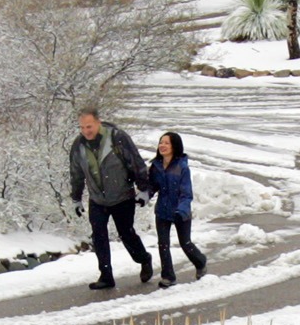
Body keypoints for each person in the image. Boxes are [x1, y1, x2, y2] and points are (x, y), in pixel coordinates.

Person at [68, 107, 153, 290]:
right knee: (98, 235)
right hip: (97, 199)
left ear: (98, 122)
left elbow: (136, 162)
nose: (85, 131)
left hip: (122, 196)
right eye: (81, 127)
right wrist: (76, 198)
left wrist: (144, 189)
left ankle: (144, 259)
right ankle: (106, 275)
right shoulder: (79, 145)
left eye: (89, 126)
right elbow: (76, 173)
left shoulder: (117, 137)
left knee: (126, 233)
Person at [147, 131, 208, 287]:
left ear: (175, 146)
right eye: (161, 142)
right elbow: (152, 186)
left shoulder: (182, 167)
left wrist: (181, 211)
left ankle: (200, 262)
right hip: (162, 211)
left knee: (185, 243)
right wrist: (143, 196)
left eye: (166, 143)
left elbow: (186, 194)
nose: (162, 145)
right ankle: (168, 276)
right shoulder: (156, 166)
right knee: (163, 244)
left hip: (181, 213)